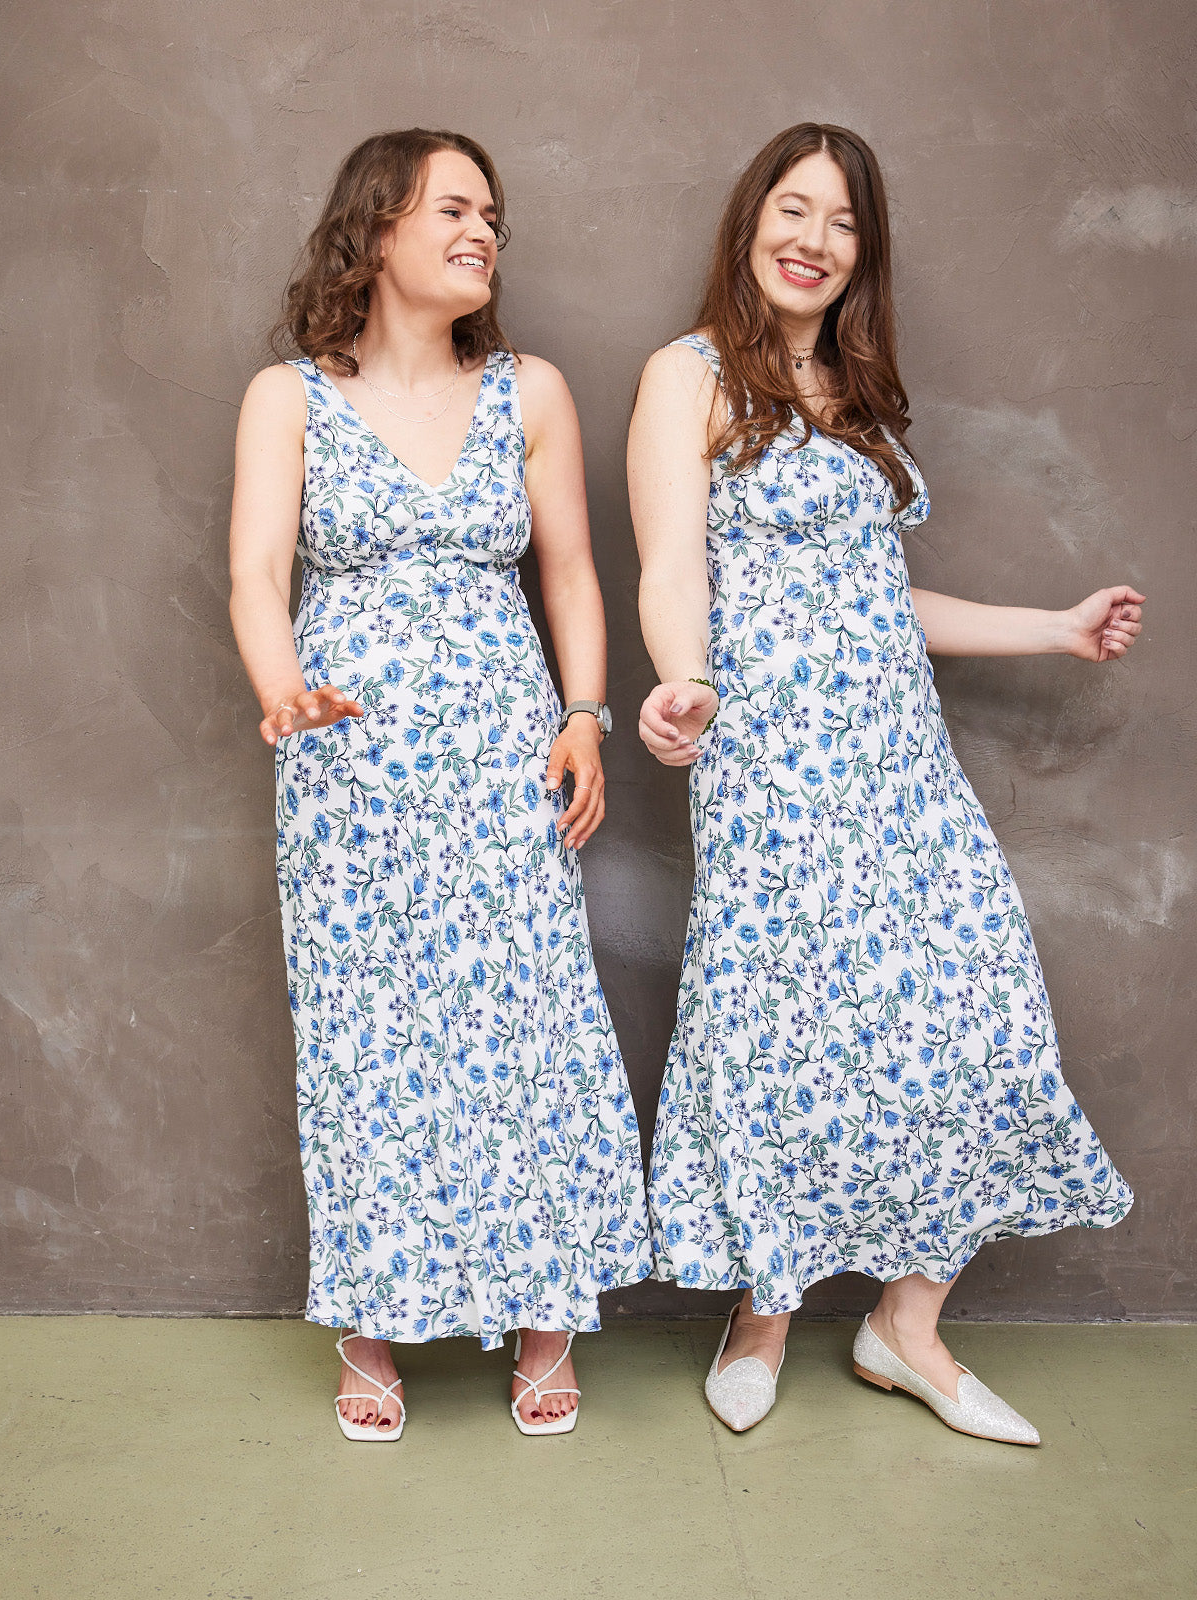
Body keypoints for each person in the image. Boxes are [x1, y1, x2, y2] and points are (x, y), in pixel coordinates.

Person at [629, 123, 1139, 1443]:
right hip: (772, 770)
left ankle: (904, 1329)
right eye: (790, 210)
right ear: (750, 226)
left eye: (842, 221)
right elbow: (673, 565)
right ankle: (766, 1310)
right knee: (782, 1039)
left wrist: (1056, 626)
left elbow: (882, 604)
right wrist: (680, 680)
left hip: (906, 776)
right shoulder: (686, 379)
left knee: (985, 1022)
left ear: (866, 253)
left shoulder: (857, 403)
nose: (812, 238)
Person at [229, 128, 650, 1441]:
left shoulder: (533, 392)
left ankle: (544, 1316)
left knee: (527, 1028)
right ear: (378, 226)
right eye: (455, 208)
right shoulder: (287, 397)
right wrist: (281, 685)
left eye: (493, 218)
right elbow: (253, 575)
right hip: (349, 774)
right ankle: (371, 1327)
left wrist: (587, 718)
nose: (484, 232)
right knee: (367, 1043)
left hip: (504, 762)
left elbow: (574, 573)